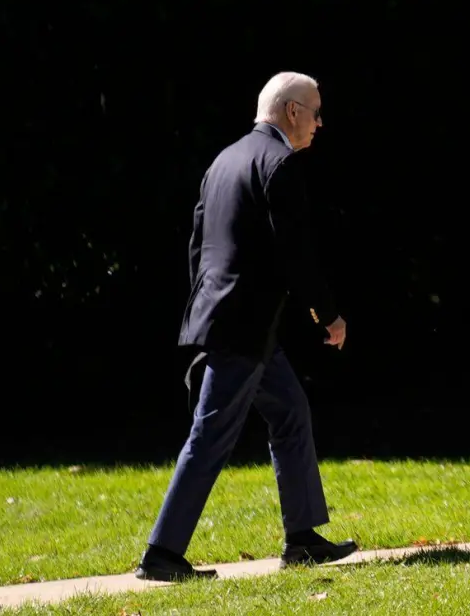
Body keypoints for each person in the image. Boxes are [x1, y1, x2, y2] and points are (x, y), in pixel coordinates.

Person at [135, 72, 357, 582]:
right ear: (292, 112)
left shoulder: (224, 161)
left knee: (291, 411)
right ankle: (162, 554)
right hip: (243, 329)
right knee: (211, 433)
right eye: (316, 112)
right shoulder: (279, 165)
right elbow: (296, 255)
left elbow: (199, 243)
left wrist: (204, 310)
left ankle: (302, 538)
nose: (320, 123)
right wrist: (329, 316)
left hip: (230, 320)